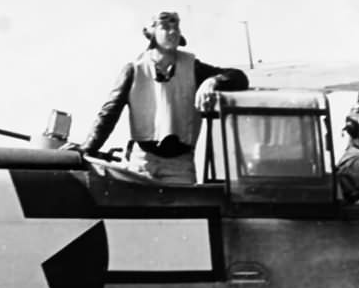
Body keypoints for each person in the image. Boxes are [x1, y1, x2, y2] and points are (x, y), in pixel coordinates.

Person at [78, 11, 248, 184]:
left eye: (176, 27)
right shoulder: (133, 70)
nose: (172, 31)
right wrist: (87, 149)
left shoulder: (194, 68)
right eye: (165, 27)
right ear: (151, 33)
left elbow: (239, 77)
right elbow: (109, 113)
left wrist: (213, 81)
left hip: (180, 165)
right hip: (142, 162)